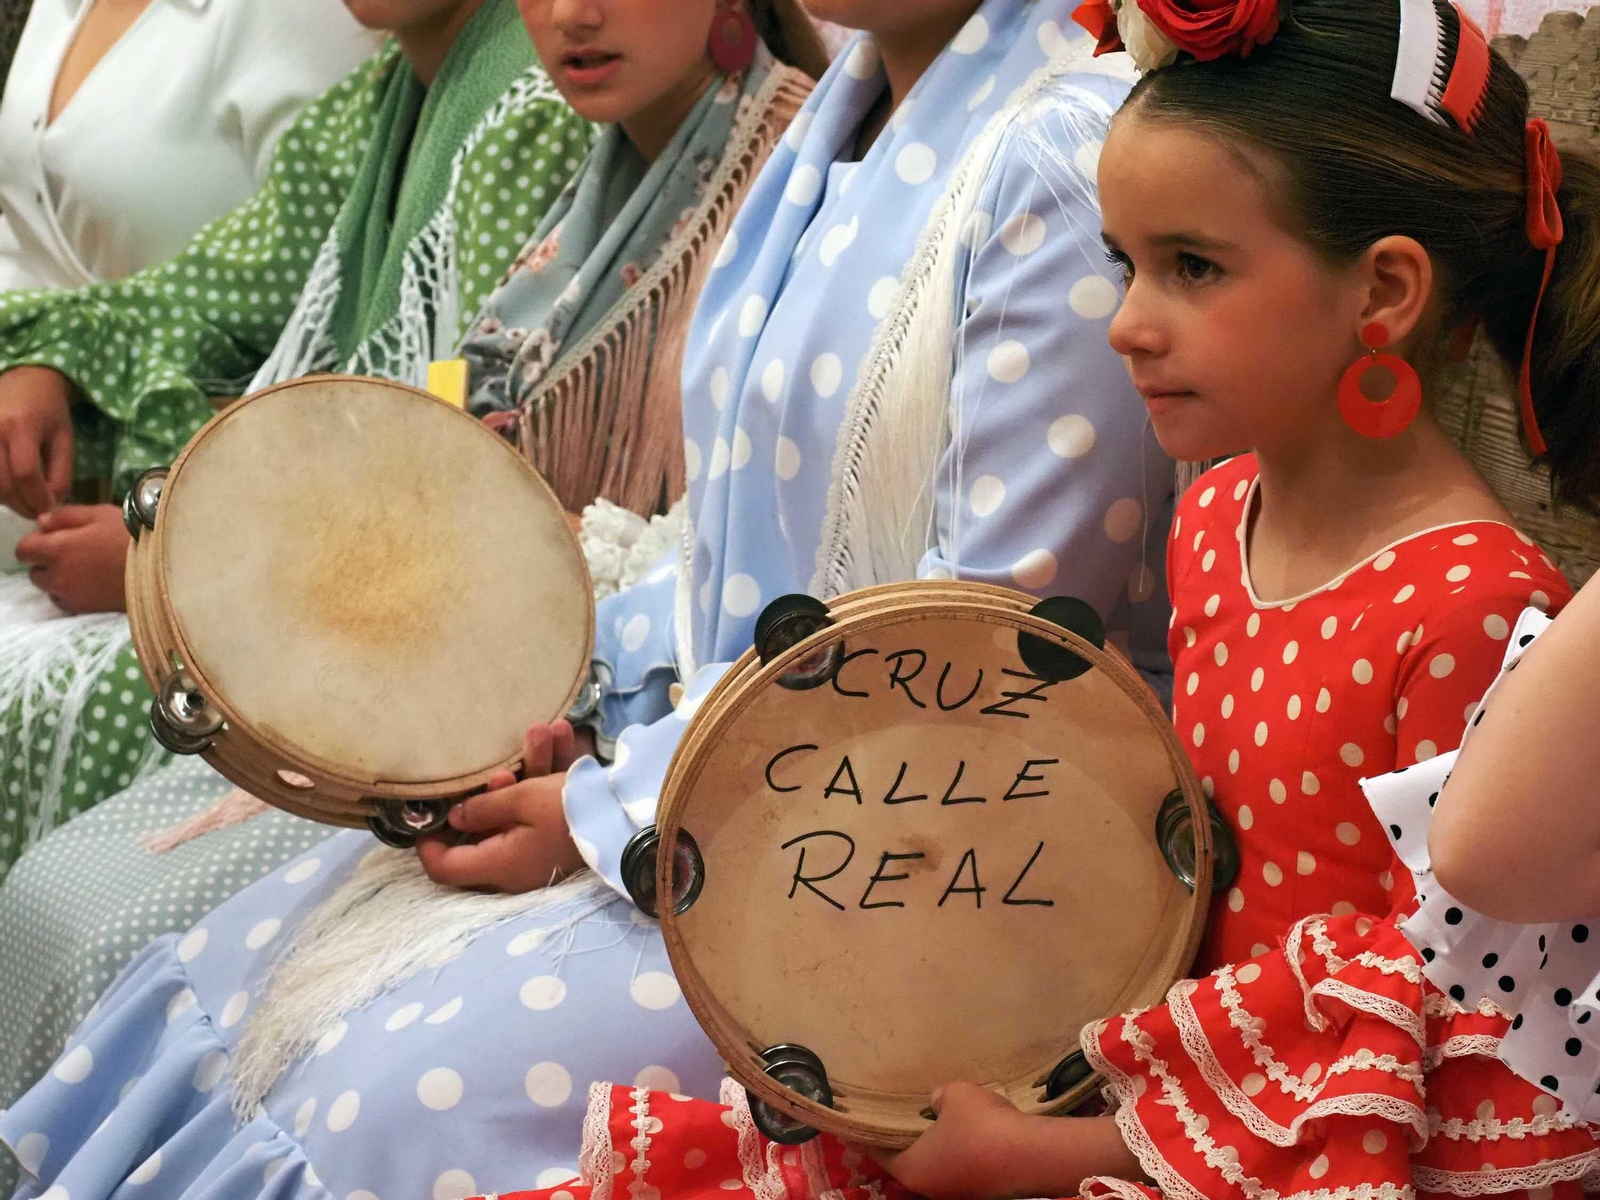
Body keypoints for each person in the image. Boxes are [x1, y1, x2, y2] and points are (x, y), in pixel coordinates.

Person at [0, 1, 1171, 1198]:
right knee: (238, 967)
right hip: (753, 788)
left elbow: (987, 663)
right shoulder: (854, 99)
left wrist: (617, 806)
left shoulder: (1056, 147)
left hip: (914, 867)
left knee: (384, 1100)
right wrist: (573, 702)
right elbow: (744, 562)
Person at [454, 0, 1600, 1196]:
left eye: (1192, 269)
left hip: (1304, 1147)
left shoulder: (1472, 606)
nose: (1127, 324)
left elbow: (1436, 1038)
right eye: (1124, 265)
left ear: (1384, 294)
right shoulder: (1213, 520)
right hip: (1137, 1075)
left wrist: (1056, 1153)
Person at [0, 0, 593, 885]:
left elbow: (453, 472)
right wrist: (48, 357)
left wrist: (180, 567)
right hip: (330, 584)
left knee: (64, 849)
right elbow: (207, 292)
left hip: (412, 649)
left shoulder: (536, 103)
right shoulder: (381, 94)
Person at [0, 0, 376, 293]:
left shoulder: (300, 14)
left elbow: (327, 281)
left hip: (211, 387)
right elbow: (22, 234)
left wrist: (67, 361)